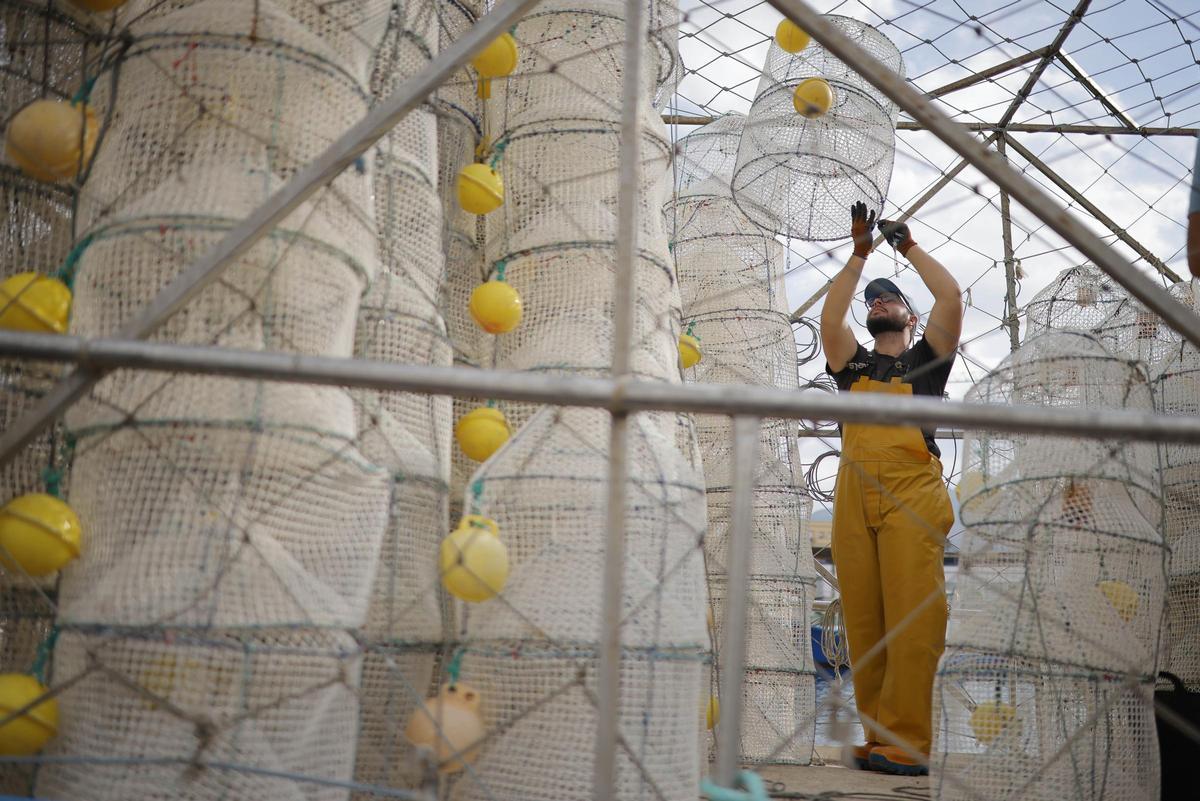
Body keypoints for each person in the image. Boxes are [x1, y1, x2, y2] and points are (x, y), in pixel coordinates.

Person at [819, 202, 963, 776]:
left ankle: (911, 740)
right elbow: (831, 322)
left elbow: (951, 299)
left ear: (908, 316)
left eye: (889, 297)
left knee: (913, 619)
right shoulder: (850, 366)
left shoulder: (927, 363)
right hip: (854, 496)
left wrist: (907, 246)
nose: (876, 300)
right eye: (871, 298)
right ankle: (878, 736)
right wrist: (858, 256)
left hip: (911, 495)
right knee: (865, 620)